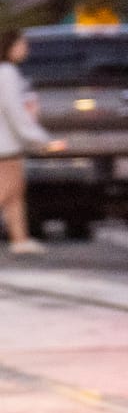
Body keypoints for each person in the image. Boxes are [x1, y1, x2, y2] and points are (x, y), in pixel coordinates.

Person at [0, 28, 52, 256]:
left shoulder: (8, 72)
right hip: (6, 142)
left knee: (16, 191)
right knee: (8, 189)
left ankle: (20, 239)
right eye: (22, 44)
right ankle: (19, 239)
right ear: (10, 48)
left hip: (9, 141)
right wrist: (40, 139)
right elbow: (15, 112)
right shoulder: (7, 73)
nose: (26, 48)